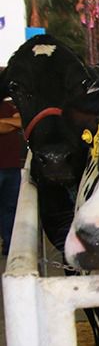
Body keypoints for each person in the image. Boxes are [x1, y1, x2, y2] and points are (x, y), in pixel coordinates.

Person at [0, 92, 22, 256]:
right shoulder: (8, 108)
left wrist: (4, 122)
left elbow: (21, 121)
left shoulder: (5, 106)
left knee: (11, 208)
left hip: (12, 167)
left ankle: (9, 245)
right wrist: (10, 123)